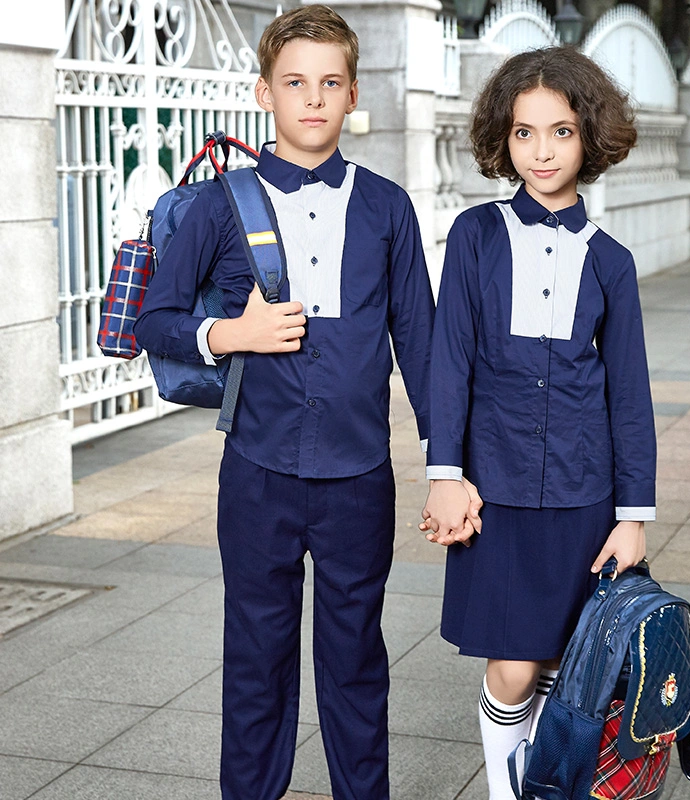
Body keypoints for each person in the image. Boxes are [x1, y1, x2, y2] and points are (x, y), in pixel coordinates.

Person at [134, 6, 435, 799]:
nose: (313, 99)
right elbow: (155, 320)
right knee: (256, 667)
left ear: (351, 93)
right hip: (258, 476)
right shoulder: (218, 204)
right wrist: (233, 333)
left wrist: (451, 469)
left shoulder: (387, 207)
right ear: (263, 92)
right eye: (295, 83)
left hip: (360, 477)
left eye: (329, 83)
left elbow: (424, 347)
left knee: (357, 668)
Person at [420, 47, 657, 799]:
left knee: (570, 663)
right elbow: (448, 363)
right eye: (525, 133)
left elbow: (630, 393)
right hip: (496, 491)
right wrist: (445, 475)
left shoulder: (610, 260)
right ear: (504, 137)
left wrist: (634, 516)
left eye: (560, 132)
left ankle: (551, 788)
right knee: (512, 666)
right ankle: (505, 792)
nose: (542, 151)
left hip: (585, 499)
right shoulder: (475, 235)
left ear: (589, 137)